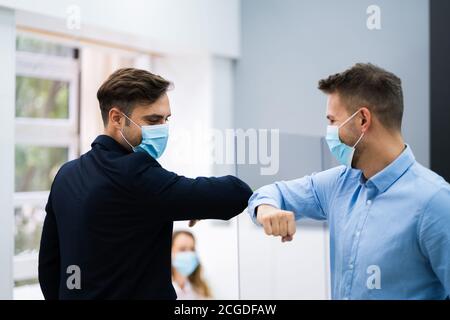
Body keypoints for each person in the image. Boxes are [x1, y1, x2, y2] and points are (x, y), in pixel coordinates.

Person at [38, 68, 252, 300]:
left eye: (166, 119)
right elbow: (235, 193)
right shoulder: (135, 172)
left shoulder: (66, 174)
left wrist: (185, 202)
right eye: (152, 120)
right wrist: (193, 202)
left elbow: (50, 267)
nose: (162, 128)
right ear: (117, 118)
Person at [248, 63, 450, 300]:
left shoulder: (435, 202)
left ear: (363, 120)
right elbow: (271, 193)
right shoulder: (340, 183)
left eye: (333, 120)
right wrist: (267, 210)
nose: (329, 131)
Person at [171, 230, 212, 299]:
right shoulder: (161, 290)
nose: (189, 254)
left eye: (192, 249)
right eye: (182, 249)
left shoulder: (200, 289)